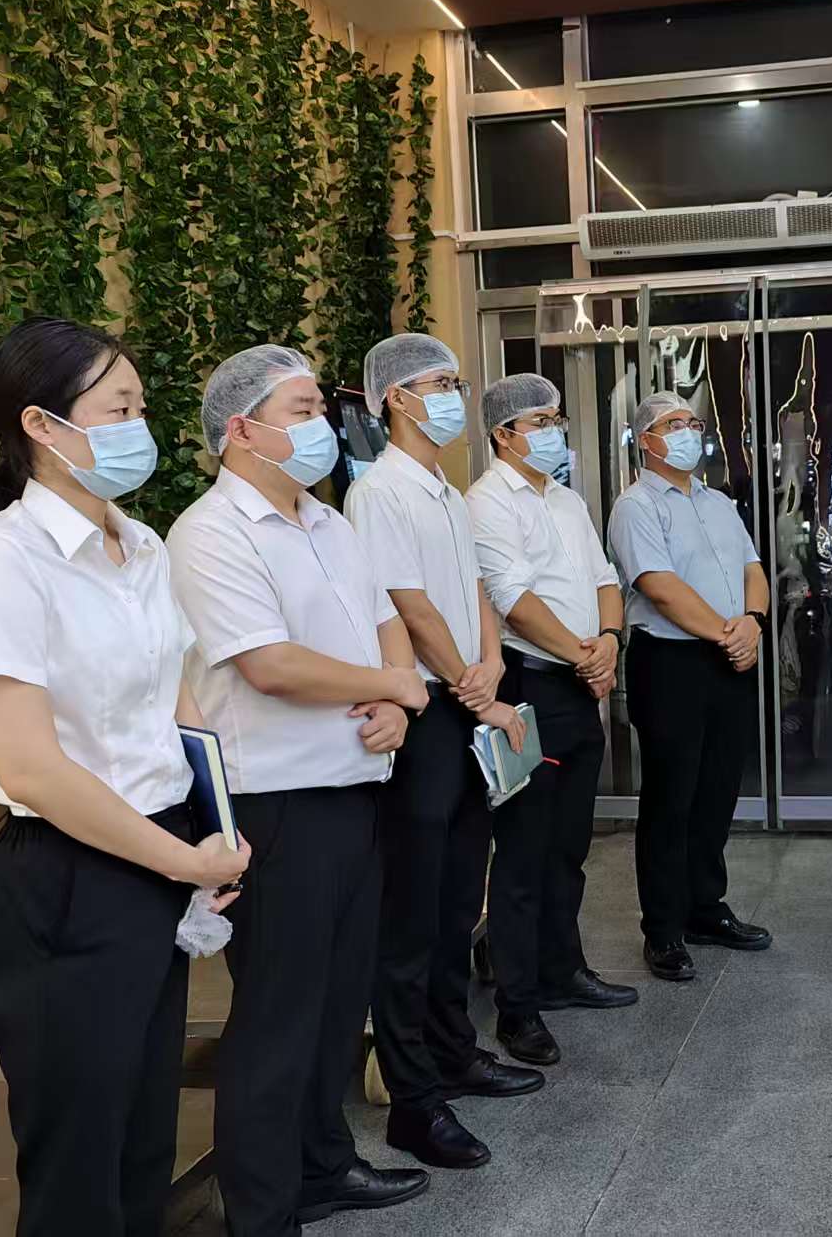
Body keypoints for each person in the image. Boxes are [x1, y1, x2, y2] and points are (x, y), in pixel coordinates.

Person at [0, 318, 250, 1236]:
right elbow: (30, 767)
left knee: (143, 1144)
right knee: (78, 1164)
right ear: (41, 424)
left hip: (157, 857)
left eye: (140, 406)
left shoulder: (140, 545)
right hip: (67, 878)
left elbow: (179, 704)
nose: (138, 427)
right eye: (117, 409)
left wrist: (213, 829)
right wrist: (180, 860)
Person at [167, 345, 432, 1234]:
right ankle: (262, 1206)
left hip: (352, 788)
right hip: (275, 804)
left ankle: (323, 1164)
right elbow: (269, 663)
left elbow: (385, 620)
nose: (323, 424)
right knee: (277, 1015)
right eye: (303, 408)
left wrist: (396, 697)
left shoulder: (327, 521)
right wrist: (393, 686)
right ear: (242, 429)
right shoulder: (211, 532)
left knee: (336, 1001)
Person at [343, 334, 543, 1171]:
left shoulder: (448, 493)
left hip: (467, 699)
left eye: (456, 382)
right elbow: (408, 605)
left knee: (461, 896)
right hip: (426, 712)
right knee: (412, 914)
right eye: (438, 383)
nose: (455, 396)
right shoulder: (378, 491)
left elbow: (475, 595)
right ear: (396, 398)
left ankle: (456, 1049)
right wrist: (469, 683)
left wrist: (490, 663)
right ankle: (412, 1098)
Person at [466, 373, 637, 1067]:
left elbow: (604, 580)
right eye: (540, 421)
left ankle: (564, 970)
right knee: (524, 852)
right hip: (529, 684)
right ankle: (519, 1006)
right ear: (504, 433)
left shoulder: (566, 499)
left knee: (568, 844)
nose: (553, 431)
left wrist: (610, 643)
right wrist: (583, 655)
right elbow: (512, 599)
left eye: (556, 419)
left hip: (580, 683)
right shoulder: (485, 503)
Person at [606, 391, 773, 982]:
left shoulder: (718, 502)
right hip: (671, 663)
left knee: (717, 790)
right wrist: (730, 634)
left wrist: (753, 622)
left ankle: (706, 907)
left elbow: (753, 569)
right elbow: (659, 586)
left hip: (729, 656)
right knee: (671, 798)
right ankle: (663, 929)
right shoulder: (636, 506)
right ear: (646, 440)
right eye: (672, 424)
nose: (688, 431)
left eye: (693, 422)